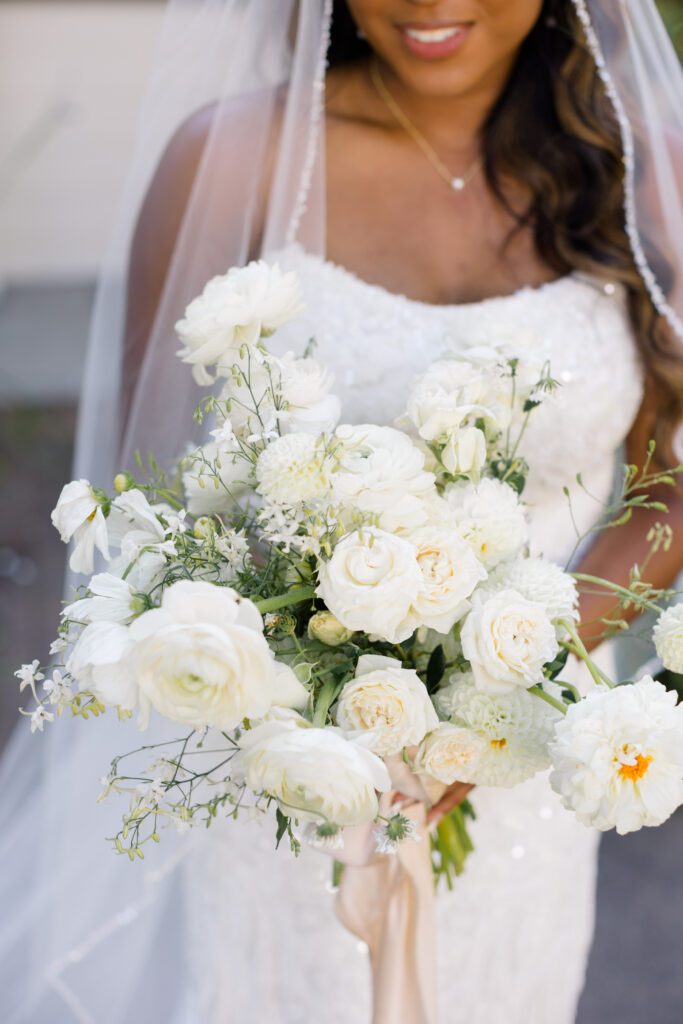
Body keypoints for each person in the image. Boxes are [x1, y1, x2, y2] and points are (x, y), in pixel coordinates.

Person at [3, 2, 683, 1022]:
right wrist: (311, 680)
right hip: (289, 770)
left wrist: (490, 692)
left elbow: (667, 479)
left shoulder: (645, 170)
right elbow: (144, 488)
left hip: (526, 763)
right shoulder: (231, 159)